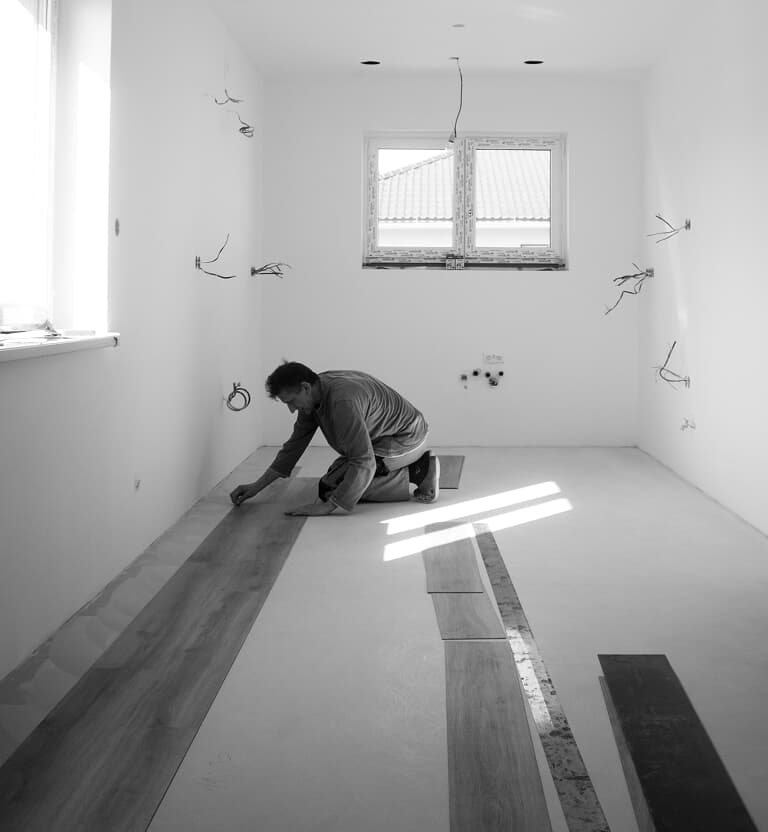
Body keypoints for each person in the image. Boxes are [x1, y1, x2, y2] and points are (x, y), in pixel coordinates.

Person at [230, 362, 439, 516]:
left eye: (291, 401)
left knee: (332, 489)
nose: (292, 409)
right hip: (387, 438)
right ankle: (410, 469)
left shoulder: (342, 402)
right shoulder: (316, 391)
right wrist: (256, 487)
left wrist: (329, 507)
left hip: (407, 439)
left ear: (305, 387)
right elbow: (294, 446)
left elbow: (363, 460)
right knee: (334, 479)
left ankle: (420, 472)